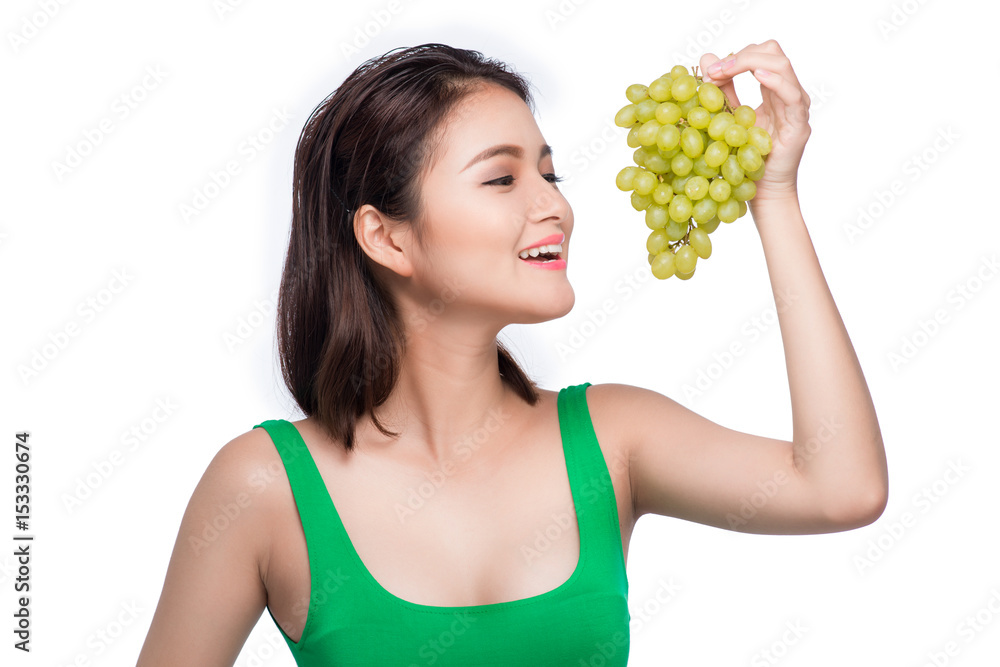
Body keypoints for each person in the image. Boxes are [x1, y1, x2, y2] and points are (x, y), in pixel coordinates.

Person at [137, 41, 888, 666]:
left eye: (549, 172)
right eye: (502, 177)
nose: (554, 204)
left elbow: (840, 486)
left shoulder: (612, 439)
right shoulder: (265, 485)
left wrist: (776, 197)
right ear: (386, 236)